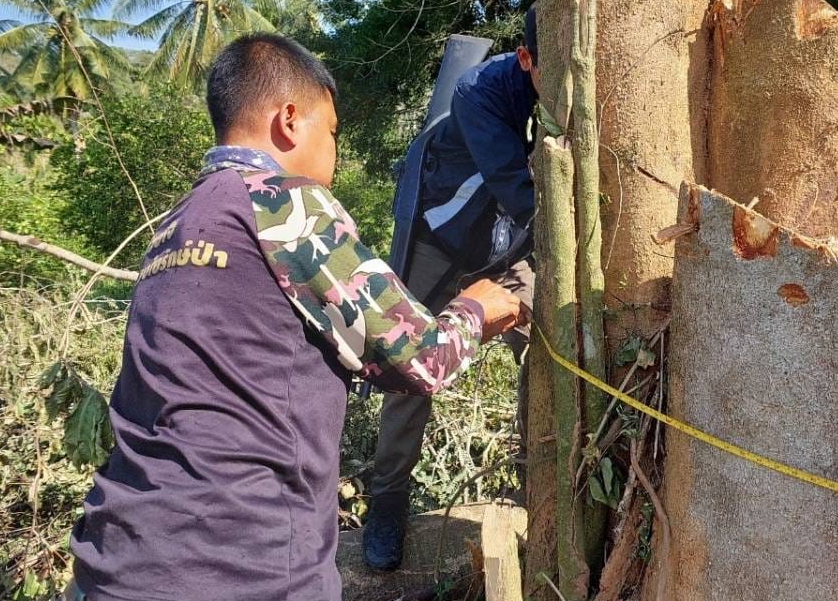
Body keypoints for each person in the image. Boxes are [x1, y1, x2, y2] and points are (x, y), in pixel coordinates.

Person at [64, 34, 523, 601]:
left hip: (116, 563)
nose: (335, 153)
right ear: (289, 120)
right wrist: (477, 307)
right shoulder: (284, 203)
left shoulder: (177, 224)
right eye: (331, 132)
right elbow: (418, 359)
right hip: (240, 567)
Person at [363, 7, 539, 571]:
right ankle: (386, 504)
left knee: (548, 349)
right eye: (546, 72)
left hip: (504, 246)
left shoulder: (578, 83)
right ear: (525, 59)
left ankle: (543, 484)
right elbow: (524, 196)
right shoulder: (479, 93)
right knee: (409, 373)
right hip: (440, 240)